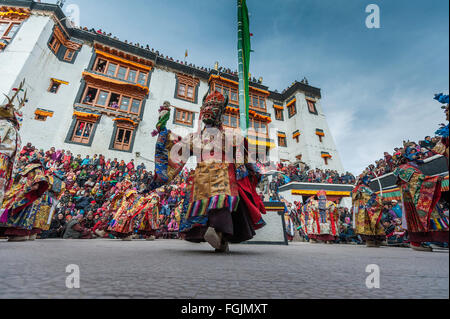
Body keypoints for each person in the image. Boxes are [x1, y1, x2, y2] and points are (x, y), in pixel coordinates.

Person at [150, 93, 266, 253]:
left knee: (221, 205)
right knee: (208, 209)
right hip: (202, 181)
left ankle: (220, 236)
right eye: (207, 108)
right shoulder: (195, 138)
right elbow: (176, 149)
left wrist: (252, 170)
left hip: (223, 177)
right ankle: (218, 237)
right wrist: (163, 129)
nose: (209, 111)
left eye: (213, 109)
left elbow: (245, 157)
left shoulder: (230, 136)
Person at [393, 141, 449, 251]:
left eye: (417, 150)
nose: (418, 152)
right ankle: (417, 242)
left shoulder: (411, 167)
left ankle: (417, 242)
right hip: (414, 198)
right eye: (413, 151)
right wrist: (434, 179)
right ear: (406, 155)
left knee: (421, 217)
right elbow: (417, 180)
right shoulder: (405, 168)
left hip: (414, 198)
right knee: (426, 215)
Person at [351, 175, 386, 247]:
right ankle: (372, 241)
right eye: (368, 181)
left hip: (363, 210)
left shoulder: (358, 189)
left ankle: (373, 240)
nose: (370, 182)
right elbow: (373, 196)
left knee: (371, 224)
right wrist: (379, 199)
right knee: (370, 224)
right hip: (366, 210)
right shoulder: (363, 188)